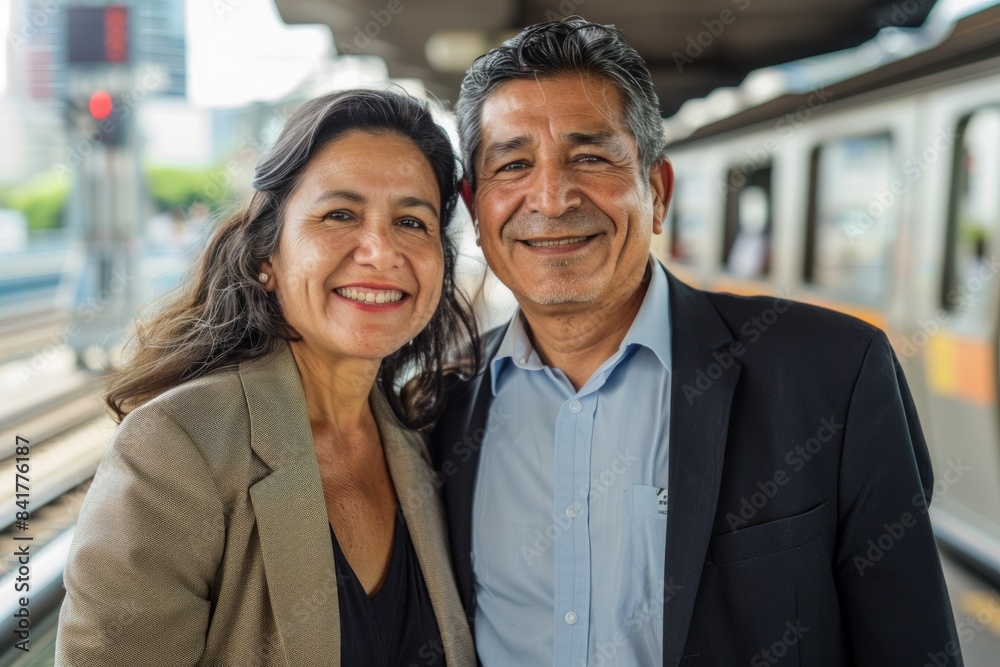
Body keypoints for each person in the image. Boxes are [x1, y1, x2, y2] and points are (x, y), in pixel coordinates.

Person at [430, 19, 965, 667]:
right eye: (512, 165)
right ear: (476, 211)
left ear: (656, 192)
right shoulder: (439, 404)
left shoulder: (836, 375)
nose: (551, 196)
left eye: (591, 157)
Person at [56, 89, 479, 667]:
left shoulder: (421, 442)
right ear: (267, 257)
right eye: (340, 215)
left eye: (411, 221)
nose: (380, 252)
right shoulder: (177, 448)